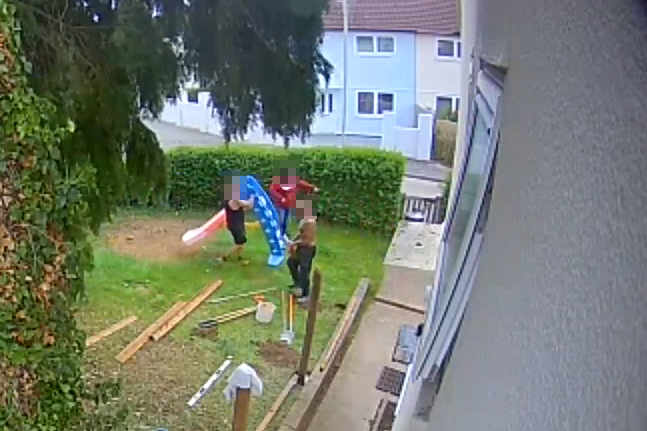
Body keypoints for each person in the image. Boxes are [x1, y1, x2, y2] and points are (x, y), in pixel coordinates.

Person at [269, 170, 319, 239]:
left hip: (288, 204)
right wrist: (281, 198)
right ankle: (279, 234)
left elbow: (302, 184)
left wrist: (312, 188)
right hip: (280, 205)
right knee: (281, 219)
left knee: (287, 221)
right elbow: (272, 190)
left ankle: (284, 234)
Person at [287, 198, 317, 303]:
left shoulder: (310, 222)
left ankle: (305, 294)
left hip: (307, 249)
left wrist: (294, 244)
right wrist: (292, 241)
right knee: (291, 262)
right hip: (302, 247)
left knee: (304, 271)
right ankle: (297, 284)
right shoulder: (304, 219)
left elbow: (307, 241)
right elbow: (301, 234)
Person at [220, 179, 254, 263]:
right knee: (240, 242)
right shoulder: (235, 198)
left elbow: (247, 207)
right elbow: (248, 205)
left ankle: (239, 257)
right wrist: (253, 195)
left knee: (241, 241)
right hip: (235, 225)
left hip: (237, 223)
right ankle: (224, 257)